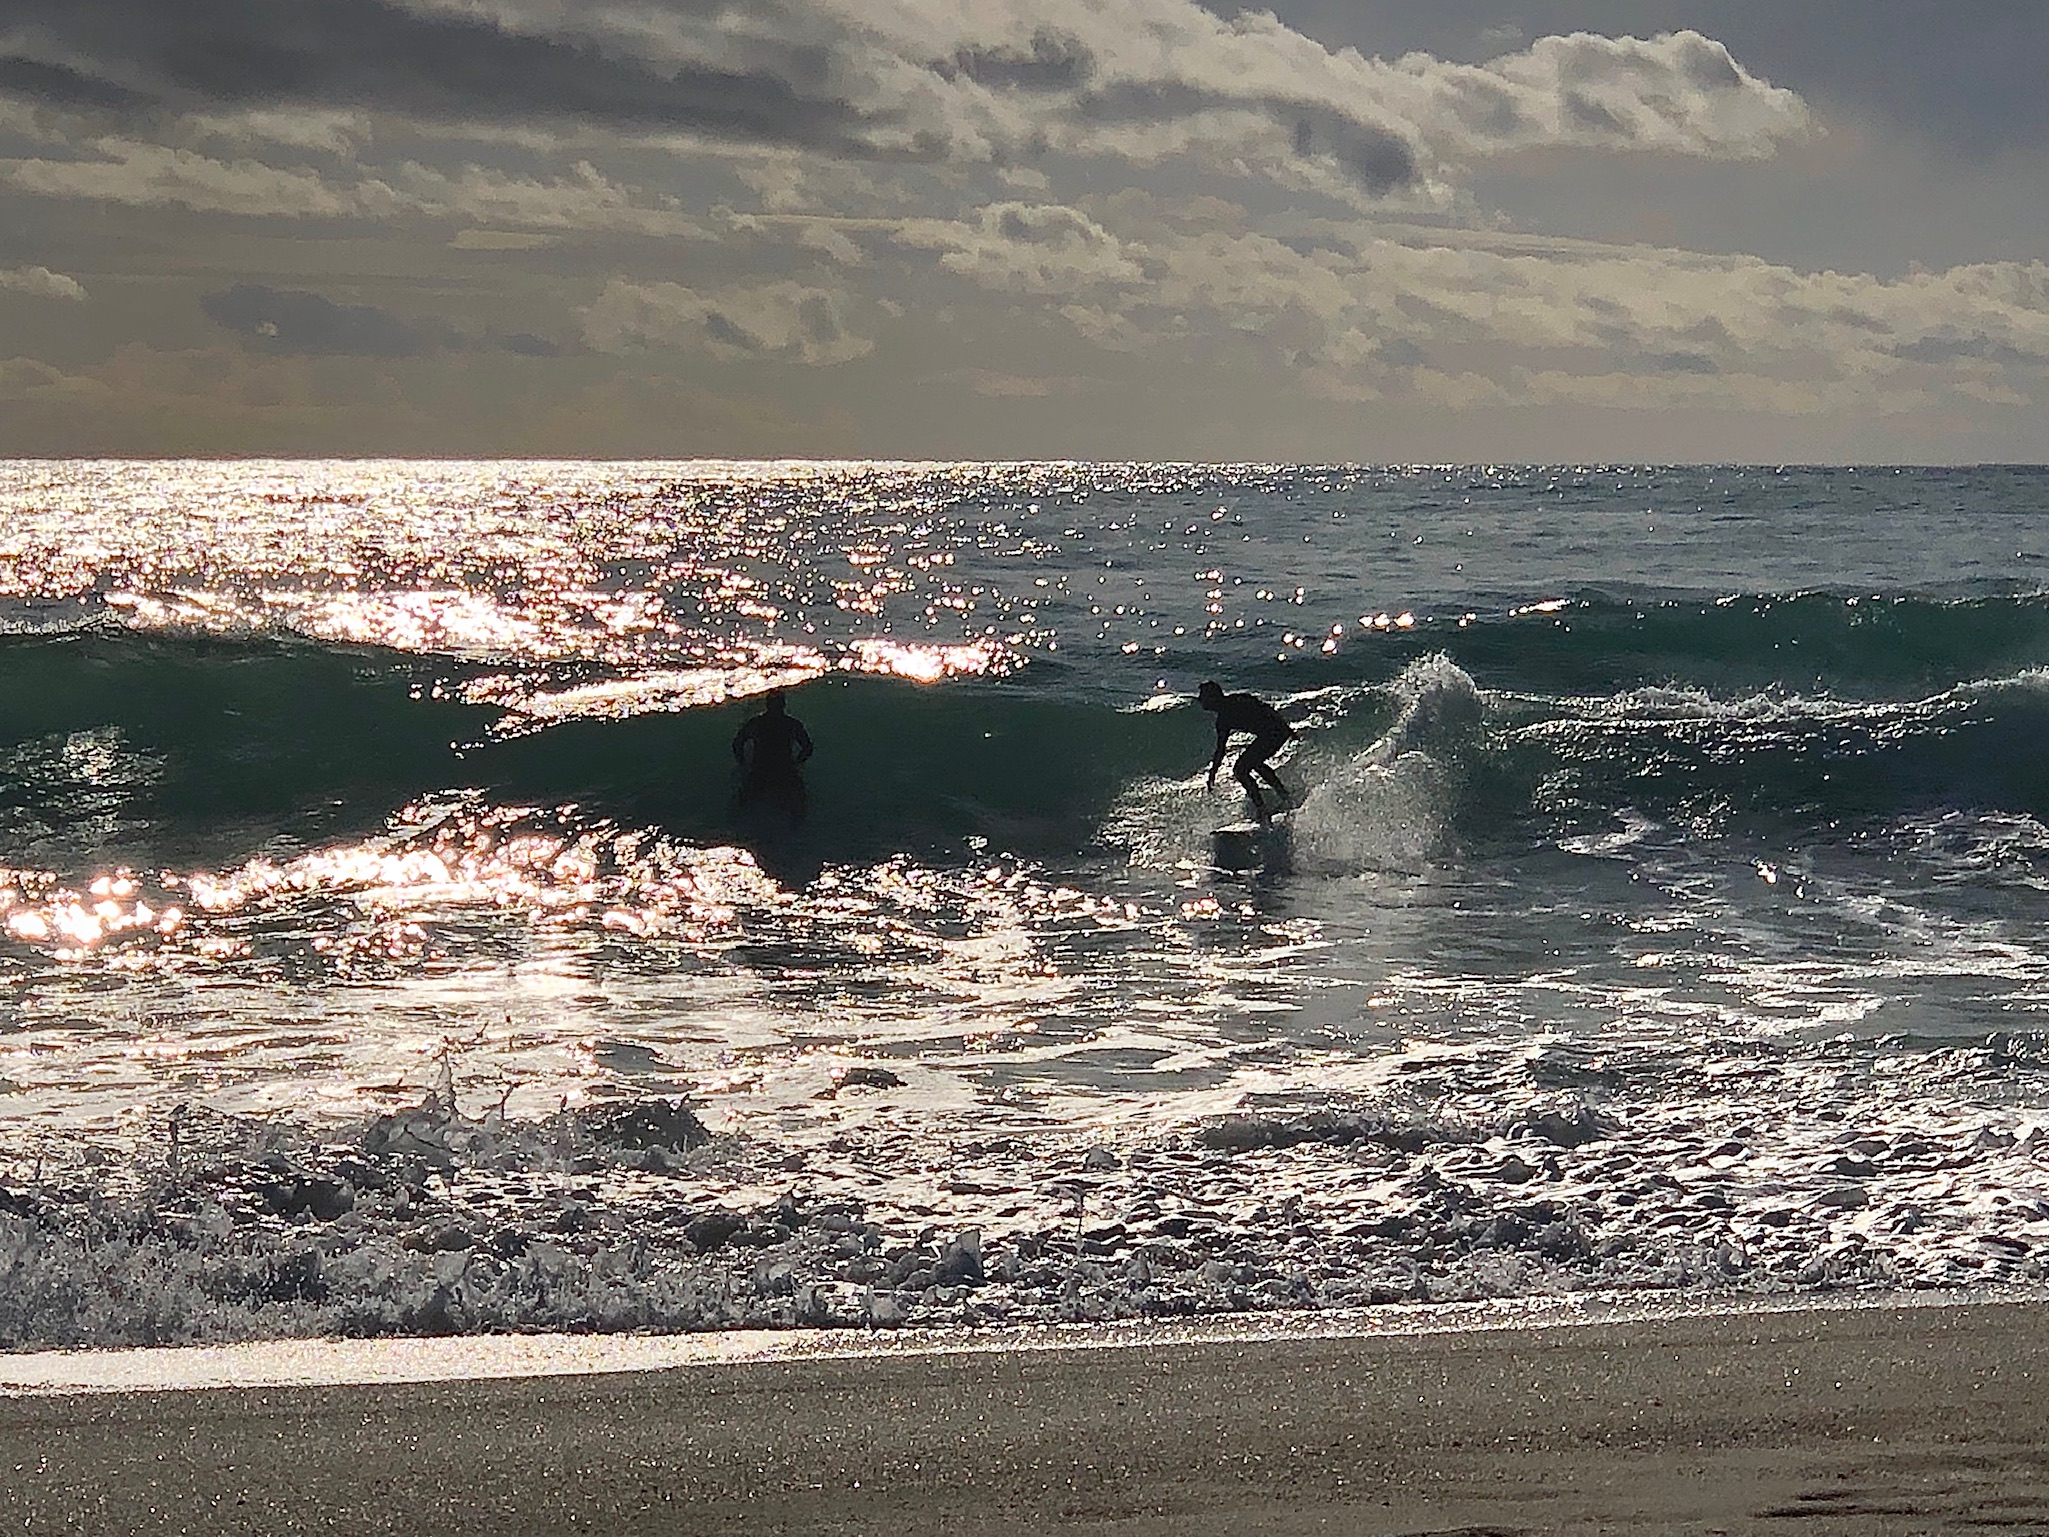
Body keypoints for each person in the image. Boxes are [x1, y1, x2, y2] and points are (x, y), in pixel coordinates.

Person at [1198, 680, 1294, 821]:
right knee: (1254, 764)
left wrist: (1287, 728)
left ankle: (1263, 809)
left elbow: (1264, 708)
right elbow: (1221, 749)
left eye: (1203, 696)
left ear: (1213, 697)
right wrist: (1213, 772)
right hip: (1270, 734)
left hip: (1276, 731)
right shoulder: (1223, 720)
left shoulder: (1236, 702)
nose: (1200, 699)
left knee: (1241, 769)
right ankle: (1283, 797)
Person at [731, 688, 813, 813]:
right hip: (784, 769)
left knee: (742, 803)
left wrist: (743, 763)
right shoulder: (791, 724)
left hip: (761, 768)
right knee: (799, 803)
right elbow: (807, 748)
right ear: (783, 705)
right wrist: (797, 763)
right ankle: (797, 826)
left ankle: (735, 824)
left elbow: (738, 743)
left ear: (767, 704)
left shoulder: (757, 722)